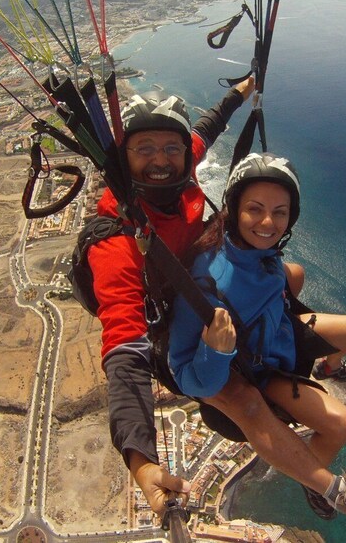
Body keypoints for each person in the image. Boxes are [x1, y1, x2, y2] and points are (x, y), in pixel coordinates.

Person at [168, 152, 346, 521]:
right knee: (341, 423)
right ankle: (320, 486)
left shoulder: (255, 252)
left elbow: (266, 281)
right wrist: (216, 352)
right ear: (234, 209)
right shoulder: (206, 283)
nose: (268, 222)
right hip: (261, 370)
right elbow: (185, 374)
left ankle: (331, 370)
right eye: (255, 209)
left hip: (278, 336)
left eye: (279, 212)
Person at [87, 78, 255, 517]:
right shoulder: (116, 240)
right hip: (162, 322)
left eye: (170, 149)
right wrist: (141, 461)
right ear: (125, 159)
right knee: (243, 399)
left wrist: (242, 91)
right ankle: (327, 487)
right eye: (144, 150)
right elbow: (124, 346)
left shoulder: (182, 169)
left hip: (195, 289)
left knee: (290, 276)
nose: (160, 160)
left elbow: (208, 127)